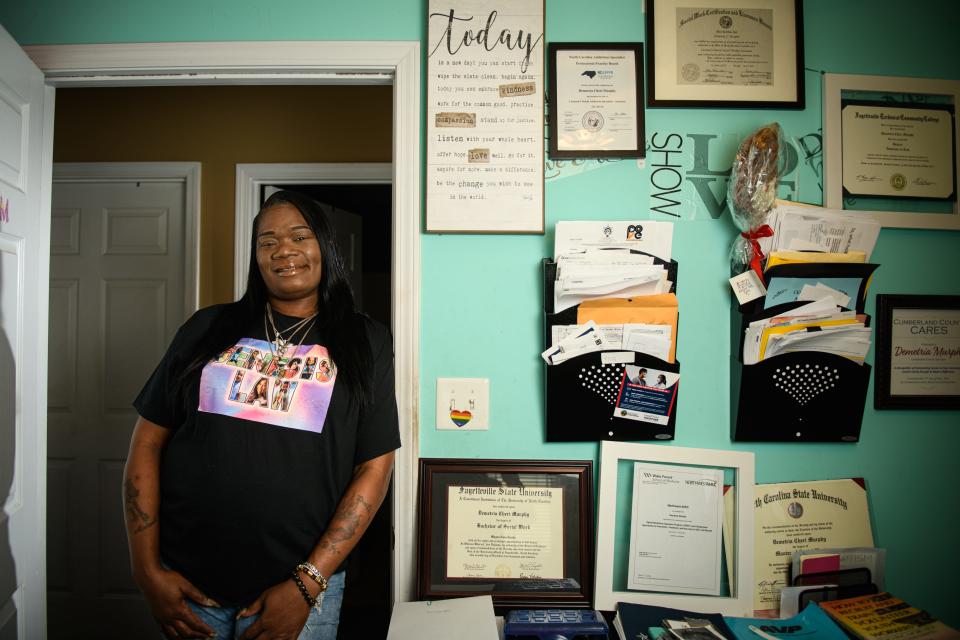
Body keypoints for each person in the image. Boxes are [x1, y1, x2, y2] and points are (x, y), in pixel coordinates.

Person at [123, 190, 400, 640]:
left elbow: (375, 465)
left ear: (324, 247)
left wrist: (308, 583)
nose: (283, 250)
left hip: (300, 587)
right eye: (266, 241)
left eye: (298, 236)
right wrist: (145, 569)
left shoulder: (364, 340)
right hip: (191, 585)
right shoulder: (207, 328)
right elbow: (147, 442)